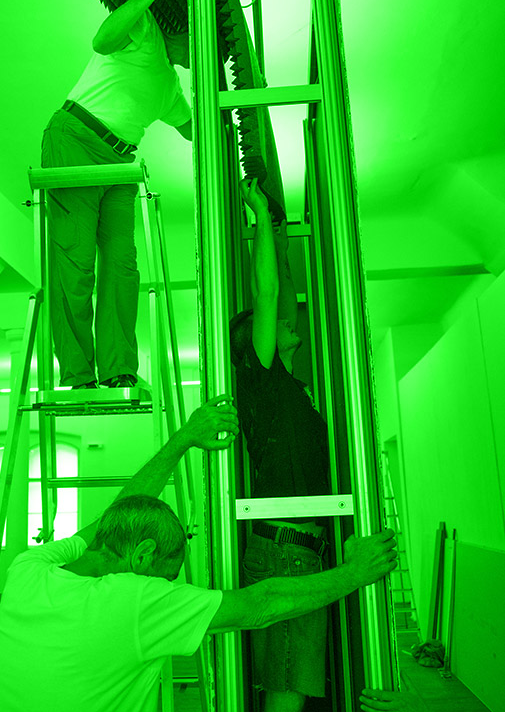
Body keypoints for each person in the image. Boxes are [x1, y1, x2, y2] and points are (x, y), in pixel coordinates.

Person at [0, 393, 398, 712]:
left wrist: (184, 439)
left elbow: (117, 513)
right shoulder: (133, 600)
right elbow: (260, 604)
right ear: (143, 556)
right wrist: (355, 572)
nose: (166, 586)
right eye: (167, 576)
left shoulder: (29, 567)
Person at [41, 0, 192, 390]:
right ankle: (77, 373)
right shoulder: (145, 30)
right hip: (76, 138)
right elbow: (102, 41)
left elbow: (197, 132)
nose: (204, 53)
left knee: (123, 265)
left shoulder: (172, 87)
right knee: (76, 261)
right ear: (182, 28)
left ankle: (118, 368)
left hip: (120, 162)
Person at [230, 176, 332, 712]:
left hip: (296, 552)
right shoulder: (263, 380)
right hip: (286, 553)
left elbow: (275, 295)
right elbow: (266, 291)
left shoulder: (290, 389)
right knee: (287, 691)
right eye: (269, 323)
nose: (285, 319)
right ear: (255, 340)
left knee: (290, 687)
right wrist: (259, 220)